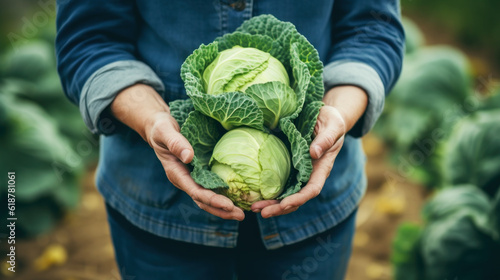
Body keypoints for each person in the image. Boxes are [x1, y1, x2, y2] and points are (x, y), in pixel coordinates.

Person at [56, 1, 404, 279]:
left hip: (317, 210)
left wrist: (339, 111)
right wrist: (149, 119)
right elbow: (89, 39)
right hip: (155, 203)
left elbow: (373, 29)